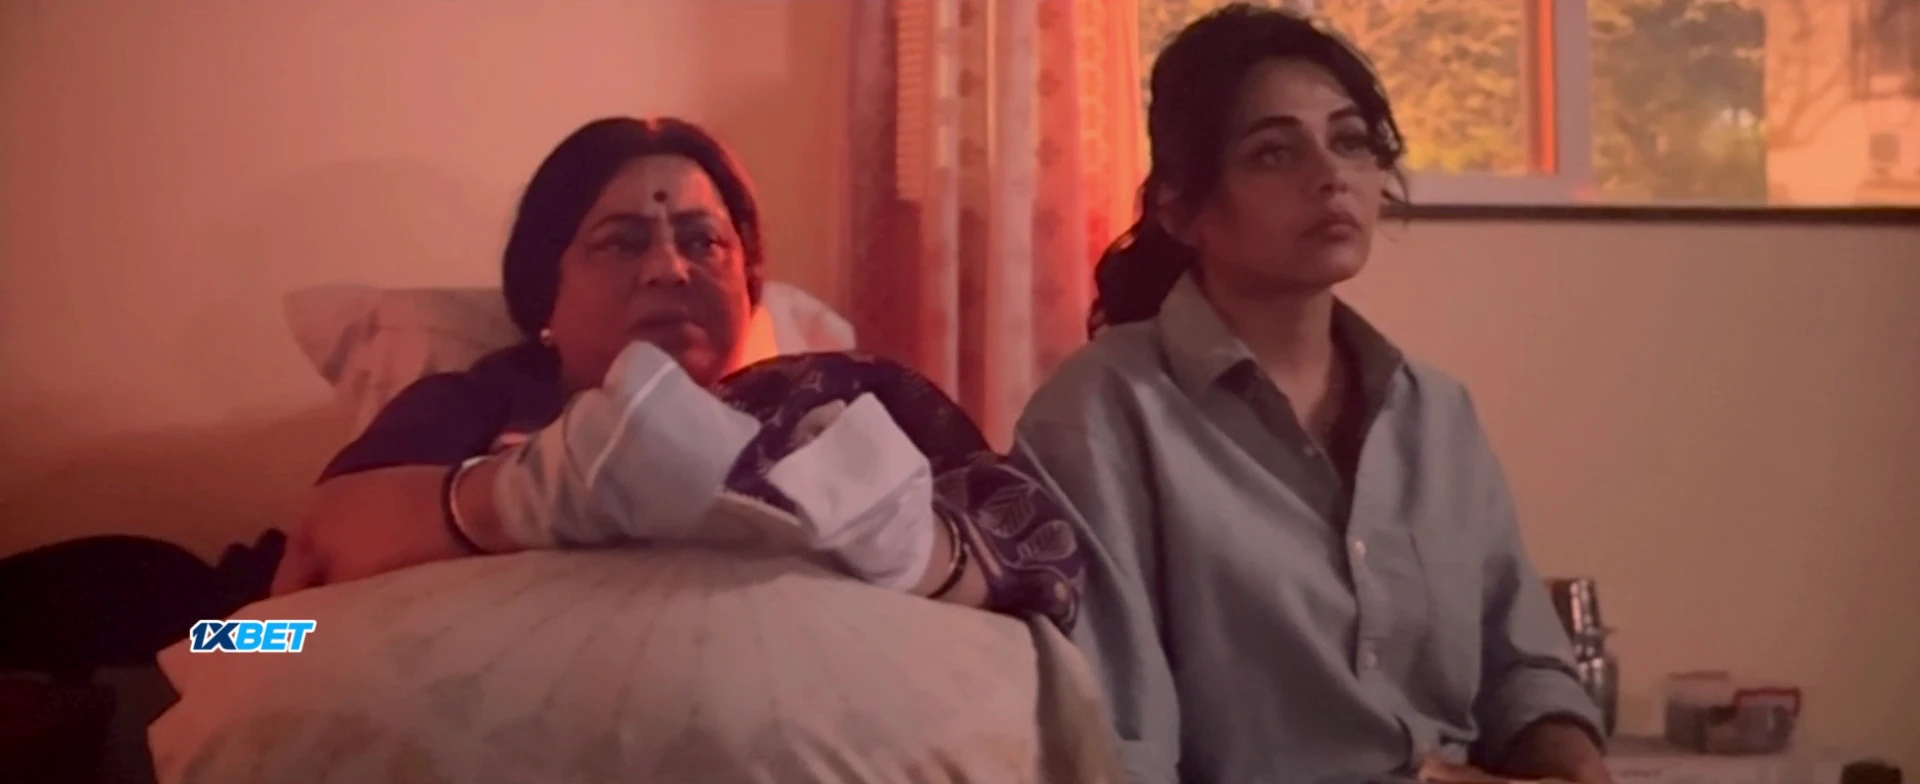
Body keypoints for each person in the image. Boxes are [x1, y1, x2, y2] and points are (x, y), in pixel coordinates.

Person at [1011, 5, 1610, 783]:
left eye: (1351, 141)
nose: (1331, 176)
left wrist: (1570, 756)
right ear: (1181, 210)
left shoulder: (1436, 413)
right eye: (1274, 152)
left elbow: (1523, 670)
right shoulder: (1103, 413)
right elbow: (1119, 743)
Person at [270, 116, 1083, 629]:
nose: (668, 267)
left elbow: (1050, 603)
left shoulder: (846, 401)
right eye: (621, 241)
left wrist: (920, 552)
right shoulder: (472, 405)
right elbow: (277, 614)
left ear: (748, 285)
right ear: (544, 294)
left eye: (704, 242)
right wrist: (535, 491)